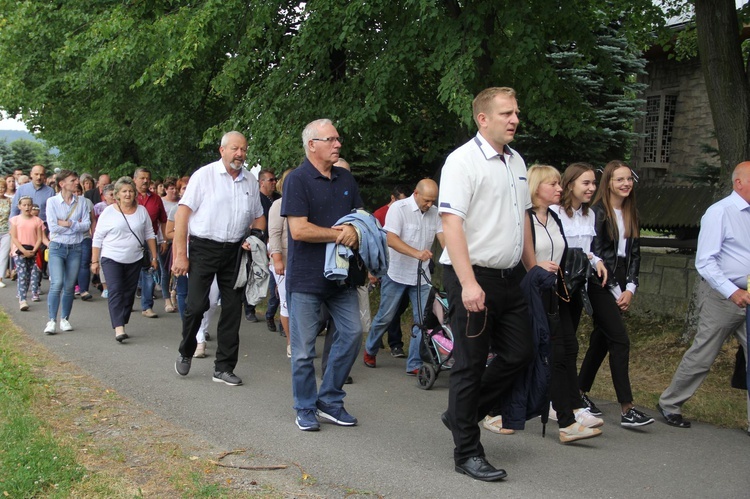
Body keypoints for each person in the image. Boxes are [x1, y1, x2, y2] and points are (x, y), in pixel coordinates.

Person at [438, 87, 535, 482]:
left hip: (511, 278)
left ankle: (461, 414)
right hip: (472, 276)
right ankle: (467, 453)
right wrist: (468, 284)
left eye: (516, 112)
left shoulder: (517, 162)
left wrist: (533, 270)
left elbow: (523, 219)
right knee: (470, 365)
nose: (514, 119)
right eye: (506, 113)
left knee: (520, 354)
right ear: (483, 119)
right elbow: (451, 224)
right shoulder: (462, 161)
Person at [282, 118, 363, 431]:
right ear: (311, 145)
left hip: (342, 276)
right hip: (306, 279)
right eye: (330, 139)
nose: (337, 144)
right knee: (303, 352)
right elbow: (299, 230)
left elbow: (359, 218)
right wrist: (339, 234)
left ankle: (329, 399)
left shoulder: (345, 178)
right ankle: (305, 406)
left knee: (353, 333)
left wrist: (356, 232)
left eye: (338, 139)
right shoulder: (297, 180)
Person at [657, 161, 750, 431]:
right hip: (725, 296)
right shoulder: (719, 212)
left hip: (748, 293)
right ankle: (670, 403)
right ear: (739, 182)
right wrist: (733, 292)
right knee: (703, 355)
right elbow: (705, 262)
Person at [173, 131, 265, 387]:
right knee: (196, 305)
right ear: (221, 150)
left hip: (235, 250)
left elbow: (259, 217)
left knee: (233, 309)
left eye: (244, 149)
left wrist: (256, 236)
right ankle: (186, 349)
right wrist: (181, 254)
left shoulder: (249, 181)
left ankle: (223, 368)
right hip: (203, 248)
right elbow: (182, 215)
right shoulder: (204, 175)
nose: (240, 154)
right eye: (235, 148)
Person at [524, 164, 602, 443]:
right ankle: (565, 416)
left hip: (555, 293)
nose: (560, 188)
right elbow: (522, 257)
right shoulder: (527, 218)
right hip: (533, 295)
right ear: (536, 188)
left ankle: (571, 412)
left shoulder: (553, 219)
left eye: (560, 183)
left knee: (566, 348)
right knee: (531, 355)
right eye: (553, 184)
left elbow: (567, 251)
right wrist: (537, 267)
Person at [578, 160, 654, 428]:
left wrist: (631, 288)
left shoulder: (631, 213)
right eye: (619, 179)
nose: (625, 184)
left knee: (601, 339)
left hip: (621, 279)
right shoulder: (597, 213)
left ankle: (578, 392)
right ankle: (627, 408)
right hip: (600, 281)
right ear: (607, 183)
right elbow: (597, 253)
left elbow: (634, 255)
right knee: (620, 340)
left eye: (628, 179)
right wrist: (616, 290)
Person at [363, 179, 444, 375]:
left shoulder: (435, 213)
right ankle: (370, 349)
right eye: (426, 200)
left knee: (422, 320)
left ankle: (414, 364)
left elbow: (444, 238)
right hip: (396, 273)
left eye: (433, 201)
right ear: (416, 193)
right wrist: (416, 253)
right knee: (386, 316)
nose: (430, 205)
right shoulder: (399, 208)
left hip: (421, 277)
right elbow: (391, 239)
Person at [548, 162, 608, 427]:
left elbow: (586, 250)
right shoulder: (553, 212)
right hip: (555, 286)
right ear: (570, 184)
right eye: (586, 183)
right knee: (563, 347)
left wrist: (597, 262)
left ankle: (562, 402)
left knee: (567, 347)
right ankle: (567, 404)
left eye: (594, 183)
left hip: (576, 287)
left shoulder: (589, 215)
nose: (591, 188)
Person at [91, 177, 158, 342]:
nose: (128, 194)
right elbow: (98, 237)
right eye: (124, 191)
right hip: (111, 257)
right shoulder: (108, 212)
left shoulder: (141, 211)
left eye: (130, 191)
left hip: (134, 258)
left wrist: (154, 256)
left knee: (129, 293)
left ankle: (122, 319)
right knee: (115, 290)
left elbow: (149, 234)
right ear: (117, 195)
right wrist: (94, 261)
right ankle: (119, 327)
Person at [44, 169, 91, 335]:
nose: (76, 182)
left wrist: (69, 223)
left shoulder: (82, 202)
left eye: (76, 180)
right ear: (62, 183)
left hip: (75, 247)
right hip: (57, 246)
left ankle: (64, 318)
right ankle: (51, 320)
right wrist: (74, 225)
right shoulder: (52, 202)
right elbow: (53, 227)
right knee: (57, 283)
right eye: (72, 180)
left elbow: (86, 225)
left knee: (70, 285)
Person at [371, 184, 412, 357]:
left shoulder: (408, 214)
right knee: (390, 309)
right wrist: (373, 271)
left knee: (398, 307)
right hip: (386, 267)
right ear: (393, 199)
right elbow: (373, 243)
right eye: (401, 201)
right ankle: (395, 344)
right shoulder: (379, 215)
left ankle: (379, 334)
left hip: (406, 267)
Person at [134, 167, 167, 319]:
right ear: (135, 179)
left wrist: (164, 239)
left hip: (150, 240)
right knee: (129, 273)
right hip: (129, 241)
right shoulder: (128, 196)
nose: (145, 181)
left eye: (148, 178)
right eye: (142, 178)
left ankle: (147, 306)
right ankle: (124, 303)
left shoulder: (156, 199)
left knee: (149, 272)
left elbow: (163, 221)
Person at [268, 169, 293, 357]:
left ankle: (301, 340)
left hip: (301, 261)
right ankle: (291, 342)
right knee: (286, 302)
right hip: (283, 261)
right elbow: (274, 234)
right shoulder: (278, 205)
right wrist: (277, 260)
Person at [9, 196, 43, 310]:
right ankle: (22, 300)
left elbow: (39, 238)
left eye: (29, 205)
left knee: (28, 275)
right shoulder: (15, 220)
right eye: (24, 205)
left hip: (32, 250)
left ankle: (22, 292)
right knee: (22, 274)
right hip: (19, 251)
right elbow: (14, 237)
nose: (27, 207)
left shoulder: (37, 221)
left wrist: (34, 250)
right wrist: (22, 250)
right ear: (19, 206)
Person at [258, 169, 281, 330]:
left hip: (278, 244)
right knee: (265, 282)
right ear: (262, 182)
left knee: (279, 286)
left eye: (275, 180)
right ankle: (265, 312)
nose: (274, 182)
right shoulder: (257, 200)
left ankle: (281, 322)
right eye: (271, 180)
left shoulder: (279, 199)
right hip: (263, 243)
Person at [159, 177, 180, 313]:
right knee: (165, 271)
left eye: (176, 188)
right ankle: (167, 299)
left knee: (178, 271)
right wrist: (164, 241)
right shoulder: (161, 203)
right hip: (165, 240)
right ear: (166, 189)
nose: (174, 191)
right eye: (171, 188)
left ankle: (175, 293)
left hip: (180, 241)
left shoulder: (182, 203)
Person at [74, 183, 96, 301]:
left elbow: (93, 220)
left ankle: (84, 290)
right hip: (70, 238)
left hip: (85, 237)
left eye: (79, 192)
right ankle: (70, 288)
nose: (76, 194)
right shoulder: (64, 202)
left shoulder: (87, 202)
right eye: (74, 192)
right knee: (71, 264)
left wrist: (93, 235)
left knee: (84, 263)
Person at [0, 178, 11, 288]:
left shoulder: (9, 200)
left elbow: (12, 216)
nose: (1, 189)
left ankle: (0, 278)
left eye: (3, 187)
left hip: (6, 231)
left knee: (3, 256)